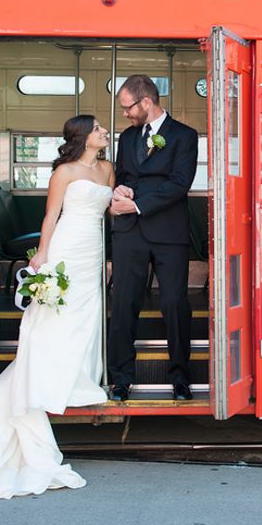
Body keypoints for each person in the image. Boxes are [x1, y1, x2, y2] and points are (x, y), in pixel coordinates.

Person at [0, 115, 113, 501]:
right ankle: (46, 378)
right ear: (84, 137)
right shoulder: (64, 172)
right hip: (67, 247)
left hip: (93, 250)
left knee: (86, 315)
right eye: (97, 128)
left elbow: (109, 212)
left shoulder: (107, 169)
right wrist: (43, 255)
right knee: (58, 316)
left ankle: (79, 378)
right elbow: (52, 215)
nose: (103, 132)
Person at [108, 75, 198, 402]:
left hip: (168, 232)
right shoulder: (127, 137)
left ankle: (180, 377)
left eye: (128, 107)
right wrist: (120, 190)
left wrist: (138, 205)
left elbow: (180, 183)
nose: (125, 114)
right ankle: (121, 378)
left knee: (174, 303)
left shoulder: (185, 136)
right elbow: (123, 174)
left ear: (146, 101)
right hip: (128, 232)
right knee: (123, 303)